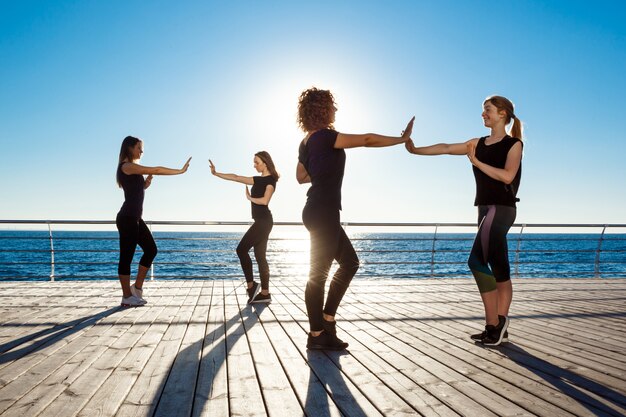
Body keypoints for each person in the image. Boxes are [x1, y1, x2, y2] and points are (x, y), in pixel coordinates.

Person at [296, 87, 414, 350]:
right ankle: (316, 335)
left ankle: (326, 321)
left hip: (317, 210)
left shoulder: (306, 142)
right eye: (332, 106)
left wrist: (322, 170)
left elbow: (300, 177)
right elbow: (368, 139)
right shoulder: (326, 136)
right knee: (318, 275)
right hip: (323, 211)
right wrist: (401, 139)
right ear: (323, 109)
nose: (335, 110)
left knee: (349, 263)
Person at [405, 95, 523, 346]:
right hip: (484, 209)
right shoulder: (476, 143)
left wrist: (477, 163)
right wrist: (415, 150)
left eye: (487, 110)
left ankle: (493, 325)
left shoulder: (514, 144)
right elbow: (446, 148)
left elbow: (507, 176)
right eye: (483, 111)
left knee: (476, 261)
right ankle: (501, 326)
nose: (483, 114)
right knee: (500, 268)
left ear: (502, 113)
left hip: (501, 209)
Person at [116, 136, 191, 307]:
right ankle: (126, 297)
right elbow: (156, 169)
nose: (141, 151)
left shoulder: (132, 169)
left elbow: (135, 190)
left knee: (151, 249)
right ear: (129, 148)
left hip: (135, 218)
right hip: (127, 218)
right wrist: (179, 171)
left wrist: (145, 184)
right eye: (139, 148)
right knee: (126, 258)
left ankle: (137, 288)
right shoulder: (127, 166)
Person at [209, 152, 279, 304]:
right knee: (260, 257)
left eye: (256, 162)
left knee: (241, 250)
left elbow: (265, 201)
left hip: (264, 222)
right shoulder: (257, 180)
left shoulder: (271, 180)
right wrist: (216, 173)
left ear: (265, 163)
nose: (254, 165)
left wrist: (249, 198)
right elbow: (236, 177)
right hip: (261, 221)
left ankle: (251, 287)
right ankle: (265, 293)